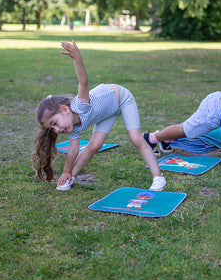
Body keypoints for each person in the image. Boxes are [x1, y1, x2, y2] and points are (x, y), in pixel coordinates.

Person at [33, 40, 166, 191]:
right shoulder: (73, 127)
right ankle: (72, 177)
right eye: (52, 128)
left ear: (65, 109)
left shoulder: (79, 105)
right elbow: (73, 151)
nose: (56, 130)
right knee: (94, 145)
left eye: (55, 123)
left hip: (122, 98)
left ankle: (158, 178)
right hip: (106, 112)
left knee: (136, 139)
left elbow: (83, 82)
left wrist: (77, 59)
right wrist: (67, 171)